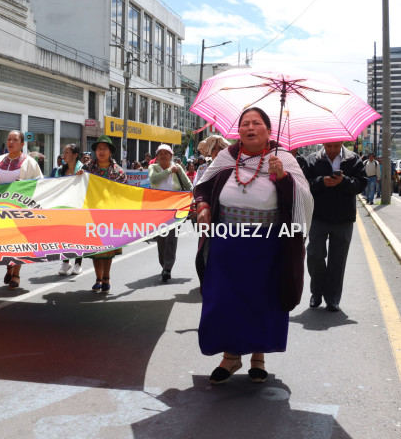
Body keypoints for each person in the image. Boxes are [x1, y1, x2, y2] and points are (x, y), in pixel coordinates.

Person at [193, 107, 313, 384]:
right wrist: (203, 205)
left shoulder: (282, 158)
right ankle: (230, 357)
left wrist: (283, 178)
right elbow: (203, 185)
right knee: (225, 298)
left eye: (256, 123)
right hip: (227, 241)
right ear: (238, 131)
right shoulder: (226, 156)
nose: (250, 128)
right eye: (245, 123)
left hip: (268, 243)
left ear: (268, 130)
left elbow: (303, 197)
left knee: (263, 298)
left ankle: (259, 356)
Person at [303, 142, 367, 312]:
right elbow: (304, 185)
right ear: (323, 144)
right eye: (329, 146)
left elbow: (361, 185)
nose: (332, 149)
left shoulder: (353, 160)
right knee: (314, 255)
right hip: (318, 217)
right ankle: (316, 292)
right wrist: (321, 181)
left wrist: (343, 181)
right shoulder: (312, 160)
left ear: (341, 144)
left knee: (338, 260)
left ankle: (332, 298)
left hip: (343, 218)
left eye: (336, 146)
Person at [0, 130, 44, 289]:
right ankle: (9, 267)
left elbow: (39, 184)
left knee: (19, 242)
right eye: (9, 139)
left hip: (21, 209)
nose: (11, 142)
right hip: (1, 209)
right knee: (5, 242)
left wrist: (23, 189)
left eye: (15, 139)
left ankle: (16, 273)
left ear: (22, 144)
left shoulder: (29, 162)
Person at [82, 135, 127, 293]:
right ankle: (98, 278)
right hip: (92, 214)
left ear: (110, 152)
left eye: (104, 148)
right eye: (99, 148)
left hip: (110, 216)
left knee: (107, 249)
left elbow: (123, 192)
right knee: (96, 250)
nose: (101, 151)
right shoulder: (87, 168)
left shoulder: (118, 171)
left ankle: (106, 278)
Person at [148, 144, 192, 282]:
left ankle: (168, 267)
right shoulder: (153, 168)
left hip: (175, 210)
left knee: (171, 239)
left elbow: (189, 185)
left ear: (171, 156)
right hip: (159, 210)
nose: (162, 155)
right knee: (161, 239)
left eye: (166, 153)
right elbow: (153, 180)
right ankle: (164, 264)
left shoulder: (178, 169)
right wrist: (168, 171)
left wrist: (191, 199)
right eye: (160, 153)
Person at [54, 144, 84, 276]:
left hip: (79, 208)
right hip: (63, 207)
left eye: (66, 152)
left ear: (75, 155)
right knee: (63, 235)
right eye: (63, 152)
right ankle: (66, 262)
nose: (63, 155)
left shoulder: (84, 169)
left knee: (78, 236)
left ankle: (78, 264)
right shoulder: (60, 170)